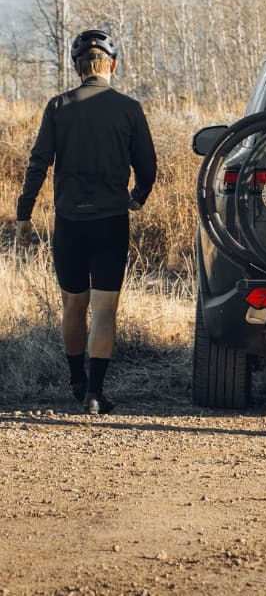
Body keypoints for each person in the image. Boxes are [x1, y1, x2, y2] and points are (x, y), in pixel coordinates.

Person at [15, 29, 157, 415]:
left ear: (77, 67)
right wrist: (137, 197)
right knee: (105, 309)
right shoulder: (129, 108)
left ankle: (76, 381)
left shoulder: (58, 106)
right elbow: (147, 166)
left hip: (69, 224)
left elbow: (38, 161)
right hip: (111, 223)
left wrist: (24, 212)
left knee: (73, 306)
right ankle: (95, 394)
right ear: (112, 65)